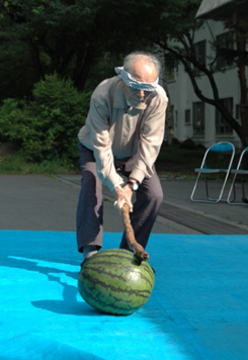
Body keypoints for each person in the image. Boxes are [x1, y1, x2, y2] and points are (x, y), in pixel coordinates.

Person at [76, 51, 168, 261]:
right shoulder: (103, 93)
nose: (143, 95)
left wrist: (132, 182)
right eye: (138, 88)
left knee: (154, 195)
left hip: (135, 153)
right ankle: (90, 253)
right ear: (123, 79)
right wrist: (118, 187)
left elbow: (151, 143)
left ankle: (128, 252)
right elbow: (102, 146)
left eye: (149, 89)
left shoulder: (158, 97)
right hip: (95, 148)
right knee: (91, 185)